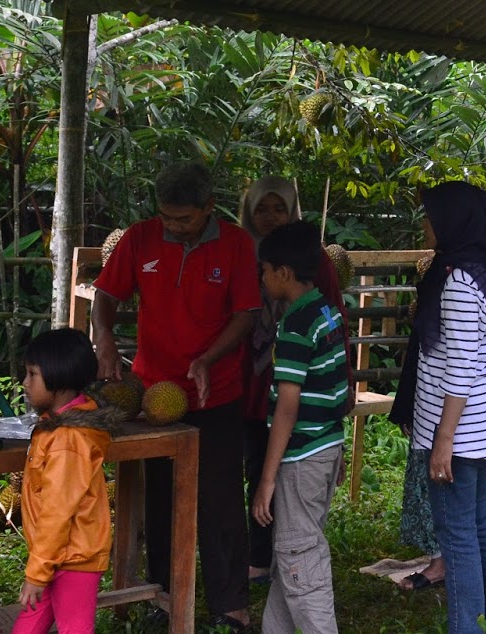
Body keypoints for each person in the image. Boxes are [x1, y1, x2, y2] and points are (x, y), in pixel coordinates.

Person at [91, 161, 260, 630]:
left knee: (221, 499)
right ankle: (162, 596)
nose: (173, 227)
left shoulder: (236, 244)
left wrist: (208, 359)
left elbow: (246, 313)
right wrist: (104, 338)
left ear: (208, 208)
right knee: (162, 498)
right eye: (167, 217)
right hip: (153, 395)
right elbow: (106, 295)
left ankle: (231, 603)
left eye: (184, 219)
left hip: (216, 393)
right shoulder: (140, 238)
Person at [401, 182, 486, 634]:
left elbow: (461, 369)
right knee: (478, 525)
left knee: (458, 538)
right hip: (481, 423)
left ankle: (466, 626)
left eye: (431, 217)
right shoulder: (482, 267)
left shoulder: (458, 282)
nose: (425, 225)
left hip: (460, 430)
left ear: (454, 222)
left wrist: (441, 443)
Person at [239, 176, 346, 584]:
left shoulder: (312, 265)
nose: (269, 217)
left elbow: (337, 323)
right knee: (259, 464)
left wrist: (343, 386)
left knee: (286, 474)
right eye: (261, 209)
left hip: (302, 387)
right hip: (254, 382)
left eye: (277, 208)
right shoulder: (241, 253)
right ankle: (262, 556)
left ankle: (292, 557)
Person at [250, 221, 349, 634]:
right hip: (325, 448)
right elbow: (338, 386)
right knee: (293, 552)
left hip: (300, 458)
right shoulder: (326, 310)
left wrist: (267, 478)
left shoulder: (293, 325)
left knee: (299, 558)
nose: (262, 278)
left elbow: (287, 408)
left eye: (265, 271)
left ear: (284, 273)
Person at [13, 327, 124, 634]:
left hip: (73, 561)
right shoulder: (55, 427)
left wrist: (36, 573)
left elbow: (57, 511)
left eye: (32, 375)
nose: (25, 383)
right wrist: (42, 565)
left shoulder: (67, 441)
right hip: (53, 557)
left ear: (59, 380)